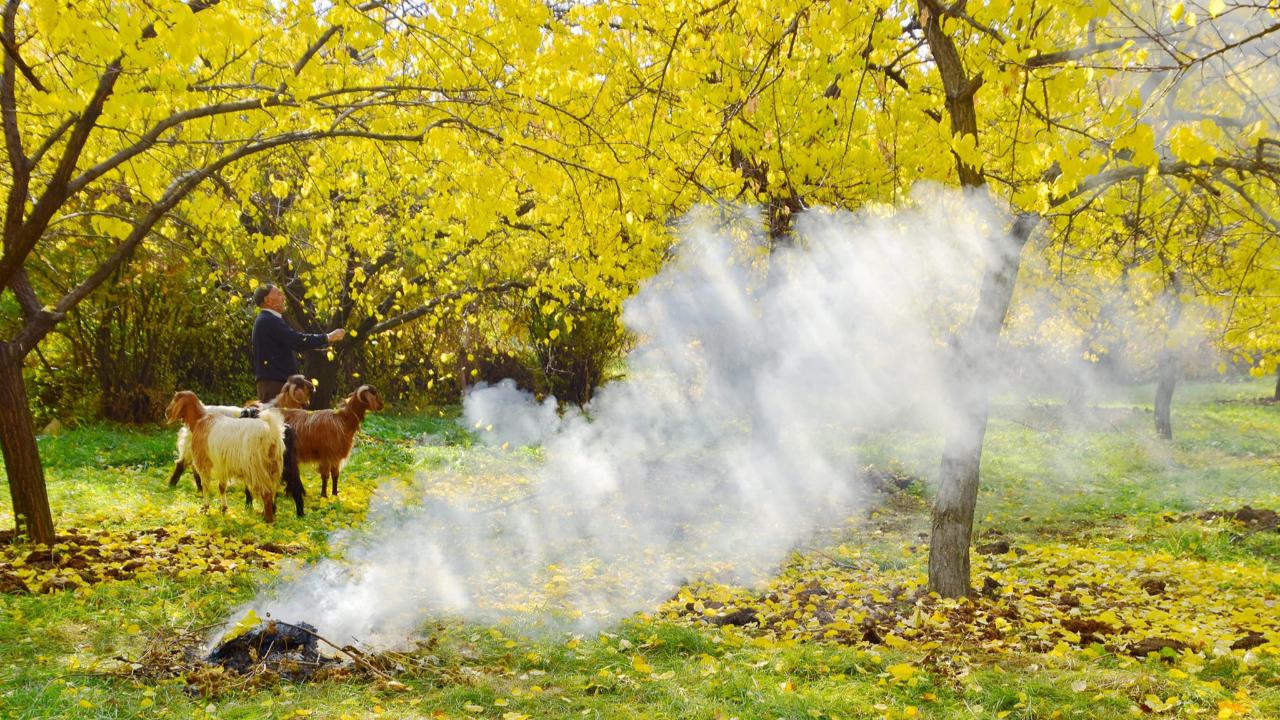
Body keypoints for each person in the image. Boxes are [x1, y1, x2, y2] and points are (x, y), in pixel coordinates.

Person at [251, 284, 345, 403]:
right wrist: (328, 337)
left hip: (275, 383)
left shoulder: (267, 320)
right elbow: (297, 341)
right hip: (275, 385)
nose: (283, 297)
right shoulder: (268, 320)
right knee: (278, 421)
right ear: (267, 300)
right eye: (278, 294)